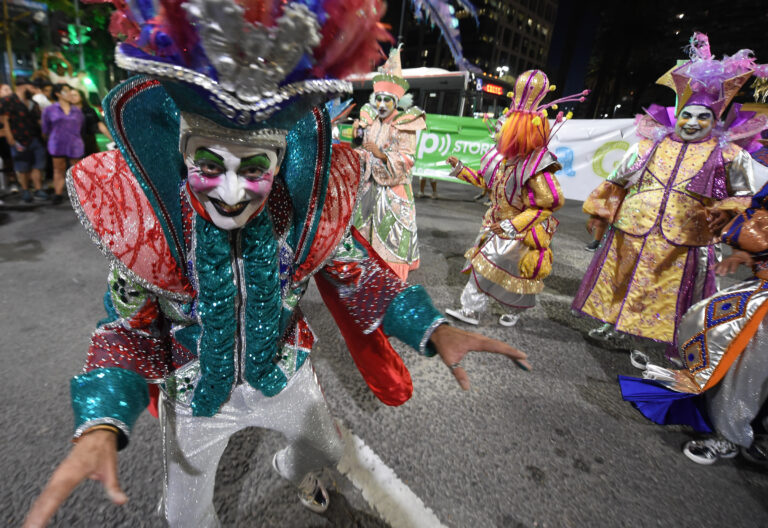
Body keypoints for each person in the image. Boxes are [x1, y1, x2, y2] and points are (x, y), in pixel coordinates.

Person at [23, 2, 529, 527]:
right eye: (210, 165)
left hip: (285, 376)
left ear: (279, 162)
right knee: (185, 516)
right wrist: (101, 424)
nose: (234, 191)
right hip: (197, 400)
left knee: (322, 450)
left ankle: (295, 464)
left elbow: (364, 279)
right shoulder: (152, 229)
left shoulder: (305, 220)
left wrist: (433, 328)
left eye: (255, 168)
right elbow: (124, 330)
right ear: (183, 155)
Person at [572, 33, 766, 359]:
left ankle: (660, 340)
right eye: (687, 115)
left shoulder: (730, 154)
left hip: (685, 238)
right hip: (633, 228)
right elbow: (617, 181)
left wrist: (726, 210)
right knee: (620, 277)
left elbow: (744, 196)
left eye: (702, 117)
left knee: (667, 290)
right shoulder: (649, 144)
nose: (692, 122)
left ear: (714, 120)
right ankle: (612, 322)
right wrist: (600, 214)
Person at [618, 181, 768, 466]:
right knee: (709, 329)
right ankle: (733, 427)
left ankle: (733, 436)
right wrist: (744, 246)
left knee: (748, 365)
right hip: (760, 290)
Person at [444, 70, 584, 327]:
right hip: (494, 226)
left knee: (511, 279)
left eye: (501, 129)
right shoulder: (502, 160)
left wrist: (513, 225)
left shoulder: (535, 167)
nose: (495, 134)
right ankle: (471, 310)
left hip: (519, 234)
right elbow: (485, 182)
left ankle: (511, 310)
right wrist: (461, 169)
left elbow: (549, 204)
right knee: (482, 268)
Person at [352, 46, 426, 281]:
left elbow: (408, 158)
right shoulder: (371, 121)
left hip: (393, 194)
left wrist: (383, 156)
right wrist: (358, 147)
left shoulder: (406, 123)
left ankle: (391, 290)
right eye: (379, 99)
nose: (382, 104)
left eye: (388, 100)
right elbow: (363, 150)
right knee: (362, 244)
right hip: (368, 189)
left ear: (397, 101)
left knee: (391, 247)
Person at [0, 76, 47, 203]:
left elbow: (39, 121)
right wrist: (9, 136)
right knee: (23, 166)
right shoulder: (8, 101)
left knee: (38, 164)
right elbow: (5, 120)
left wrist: (44, 133)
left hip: (35, 137)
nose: (32, 90)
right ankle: (26, 190)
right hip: (18, 138)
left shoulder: (33, 103)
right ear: (22, 86)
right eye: (30, 87)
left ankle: (38, 189)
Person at [42, 83, 84, 204]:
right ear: (58, 94)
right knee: (58, 169)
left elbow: (81, 126)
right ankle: (58, 193)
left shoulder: (77, 111)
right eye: (66, 91)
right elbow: (45, 129)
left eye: (70, 90)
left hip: (75, 143)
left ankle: (79, 194)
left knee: (76, 170)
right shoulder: (49, 110)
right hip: (57, 144)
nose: (70, 93)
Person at [69, 88, 112, 156]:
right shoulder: (67, 112)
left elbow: (99, 124)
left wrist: (111, 138)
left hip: (90, 141)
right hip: (74, 143)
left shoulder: (89, 110)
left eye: (75, 95)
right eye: (70, 96)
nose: (72, 98)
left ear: (81, 97)